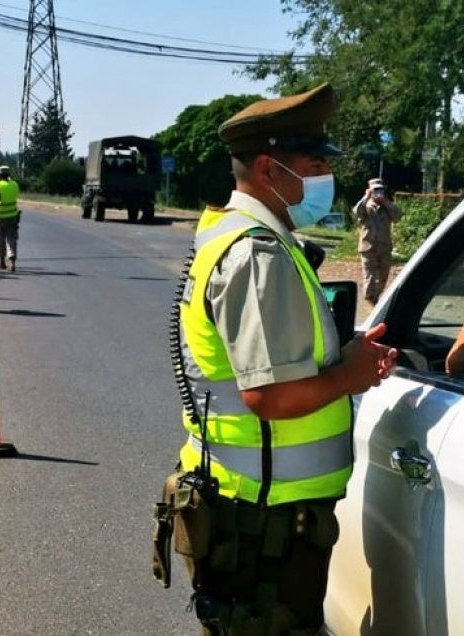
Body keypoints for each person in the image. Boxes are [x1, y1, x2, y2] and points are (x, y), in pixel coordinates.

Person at [163, 83, 398, 635]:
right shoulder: (257, 254)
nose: (326, 177)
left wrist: (341, 358)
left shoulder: (236, 234)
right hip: (263, 520)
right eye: (315, 165)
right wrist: (351, 375)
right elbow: (269, 396)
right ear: (269, 169)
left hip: (248, 506)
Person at [352, 177, 402, 304]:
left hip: (384, 247)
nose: (378, 193)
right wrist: (366, 197)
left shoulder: (388, 206)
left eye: (380, 190)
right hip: (367, 246)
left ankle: (376, 299)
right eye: (375, 190)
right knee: (370, 277)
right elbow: (356, 212)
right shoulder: (365, 206)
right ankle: (369, 301)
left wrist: (385, 202)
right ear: (370, 190)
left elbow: (397, 216)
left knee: (383, 277)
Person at [0, 165, 21, 272]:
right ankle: (12, 262)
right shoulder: (15, 184)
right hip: (12, 215)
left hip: (1, 216)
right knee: (12, 239)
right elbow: (16, 195)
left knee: (1, 239)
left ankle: (2, 262)